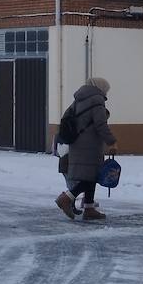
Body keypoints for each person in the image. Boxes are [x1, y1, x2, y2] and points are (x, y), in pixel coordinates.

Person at [55, 76, 117, 222]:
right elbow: (100, 124)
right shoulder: (97, 101)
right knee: (92, 176)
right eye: (106, 90)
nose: (106, 93)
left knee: (90, 175)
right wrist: (112, 142)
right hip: (90, 145)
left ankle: (89, 208)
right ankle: (67, 198)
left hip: (78, 143)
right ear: (101, 88)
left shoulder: (79, 99)